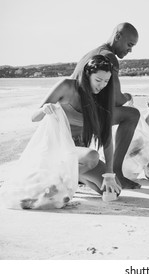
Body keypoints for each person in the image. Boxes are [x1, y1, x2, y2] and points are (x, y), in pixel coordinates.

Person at [32, 55, 121, 196]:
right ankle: (55, 180)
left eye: (106, 81)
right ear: (87, 75)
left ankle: (78, 176)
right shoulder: (67, 87)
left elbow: (107, 139)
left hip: (77, 156)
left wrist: (109, 175)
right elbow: (33, 117)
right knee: (92, 156)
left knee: (113, 191)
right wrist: (44, 110)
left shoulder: (102, 101)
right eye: (98, 80)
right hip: (57, 149)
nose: (102, 85)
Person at [71, 22, 141, 189]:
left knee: (104, 188)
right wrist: (128, 97)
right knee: (132, 115)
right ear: (118, 37)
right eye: (129, 45)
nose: (130, 50)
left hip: (73, 123)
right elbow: (116, 99)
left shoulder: (92, 53)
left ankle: (79, 173)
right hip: (85, 119)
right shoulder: (109, 57)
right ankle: (117, 171)